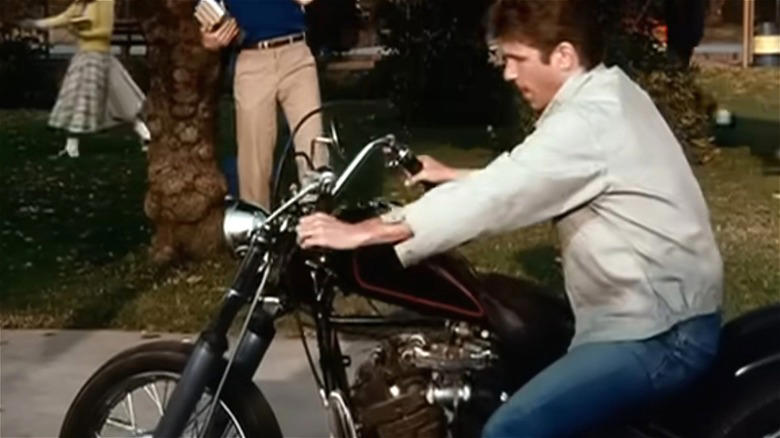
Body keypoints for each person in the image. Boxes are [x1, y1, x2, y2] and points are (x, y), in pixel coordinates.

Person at [296, 0, 724, 436]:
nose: (508, 73)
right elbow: (537, 175)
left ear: (563, 55)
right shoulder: (606, 93)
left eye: (517, 58)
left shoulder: (589, 121)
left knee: (509, 430)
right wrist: (457, 176)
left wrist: (364, 232)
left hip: (659, 334)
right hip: (657, 318)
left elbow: (501, 194)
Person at [200, 0, 328, 209]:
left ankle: (317, 216)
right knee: (254, 162)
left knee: (314, 146)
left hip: (296, 53)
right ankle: (257, 221)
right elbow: (204, 30)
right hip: (252, 60)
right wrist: (210, 40)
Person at [20, 0, 151, 158]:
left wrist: (78, 32)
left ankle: (145, 135)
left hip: (99, 57)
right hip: (84, 56)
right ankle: (71, 147)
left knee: (119, 99)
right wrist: (36, 24)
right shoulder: (79, 4)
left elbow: (104, 32)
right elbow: (62, 18)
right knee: (75, 99)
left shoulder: (104, 3)